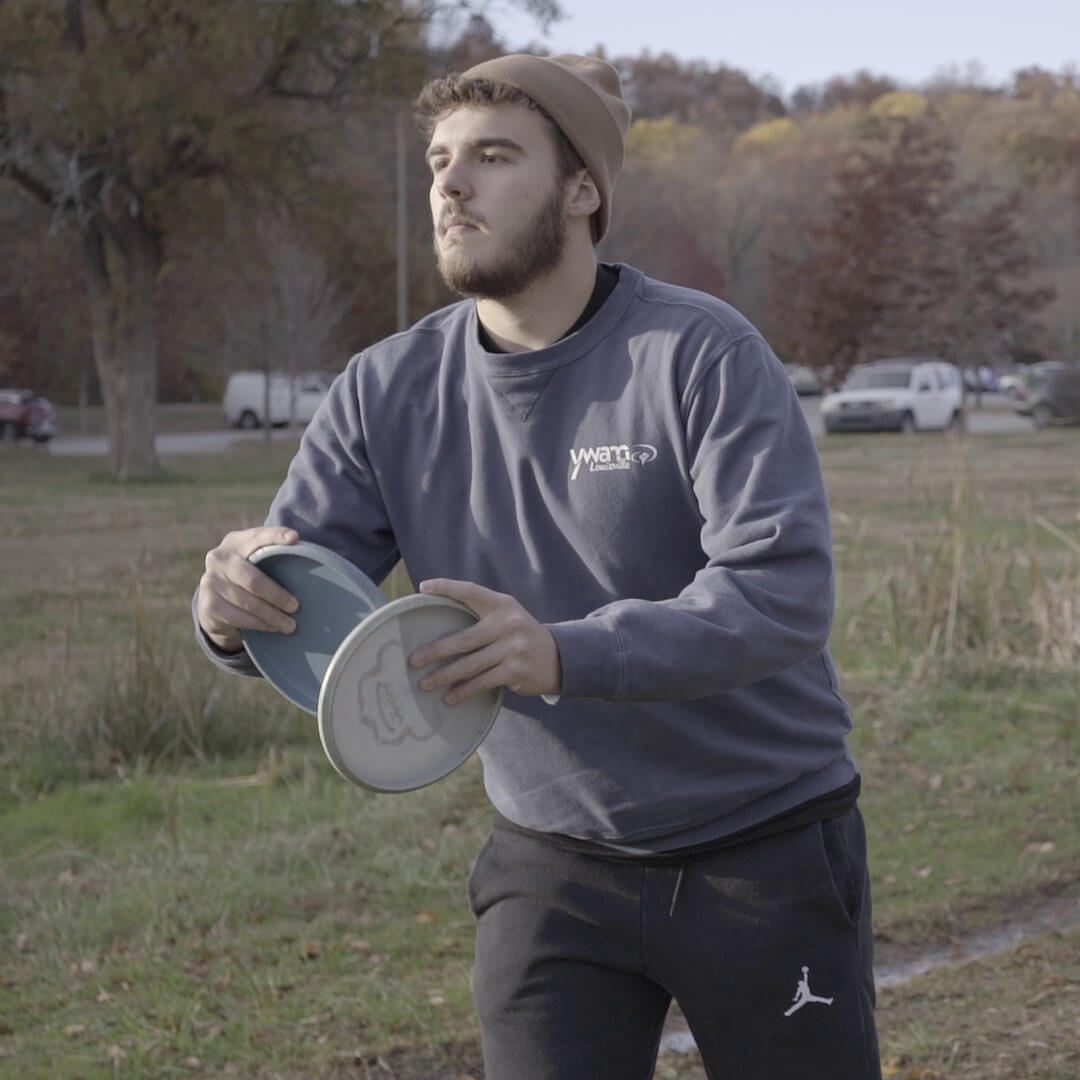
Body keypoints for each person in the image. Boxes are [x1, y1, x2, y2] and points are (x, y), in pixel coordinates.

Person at [194, 53, 881, 1080]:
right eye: (437, 161)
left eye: (493, 156)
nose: (450, 185)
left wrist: (558, 654)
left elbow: (780, 597)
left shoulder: (698, 353)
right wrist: (228, 609)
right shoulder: (384, 390)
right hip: (551, 860)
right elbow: (306, 605)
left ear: (583, 189)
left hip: (762, 844)